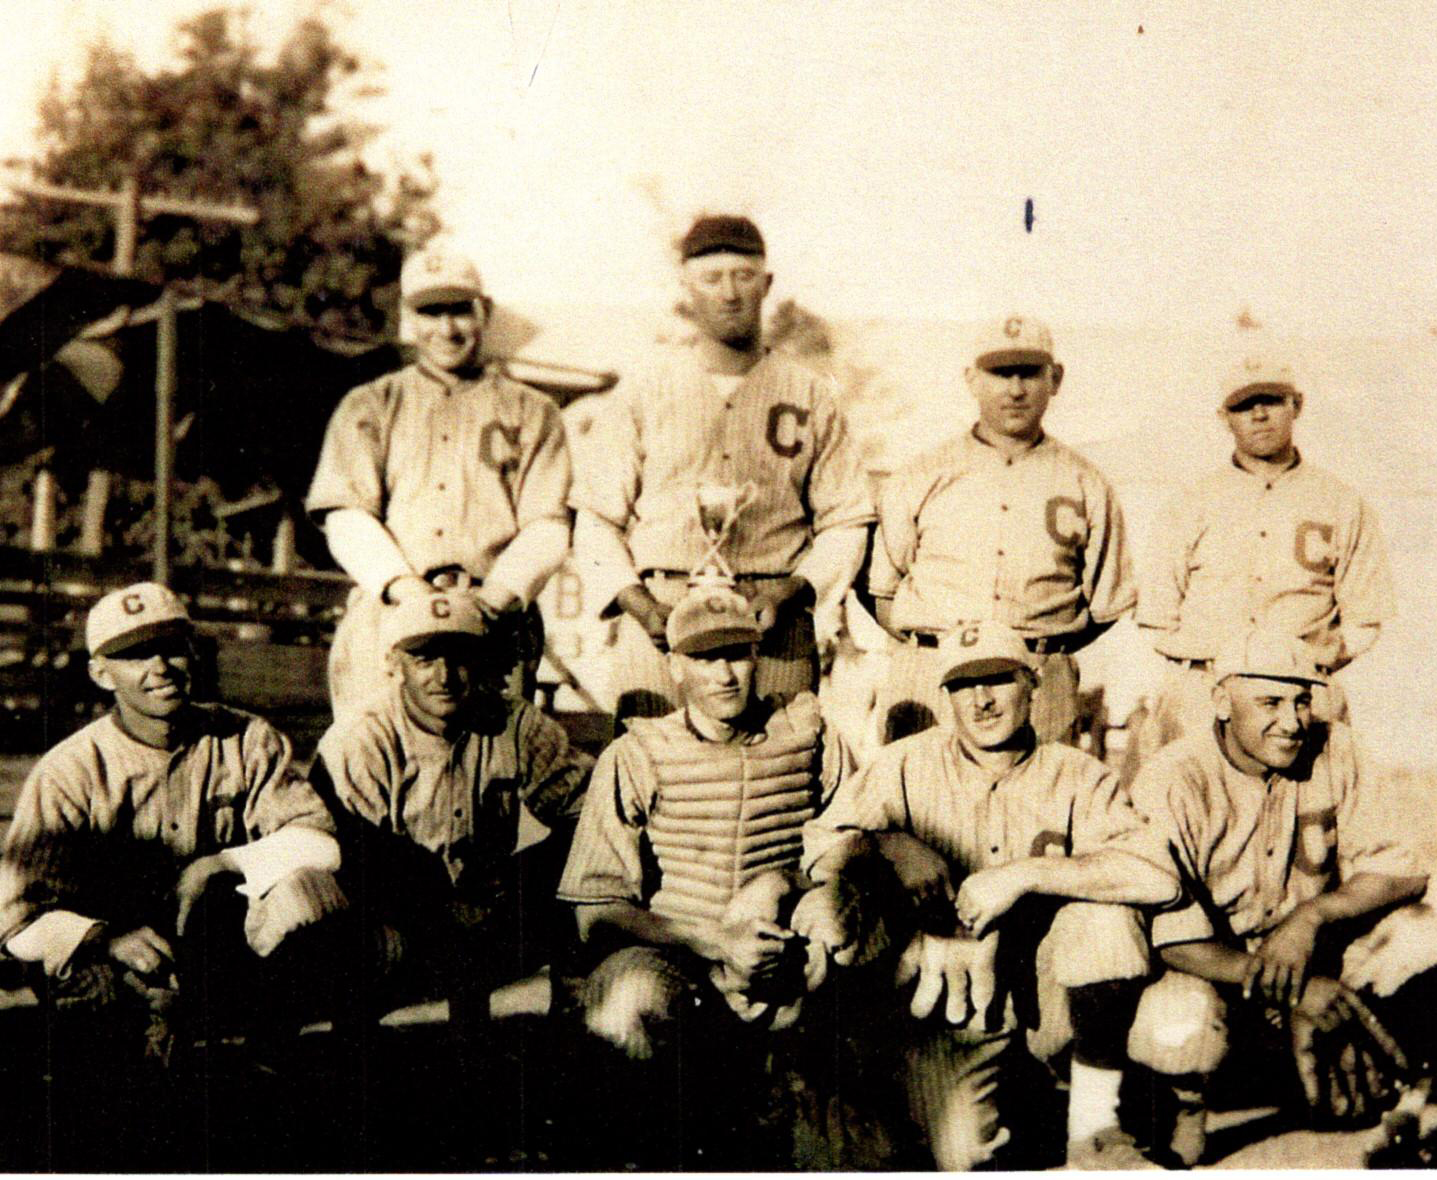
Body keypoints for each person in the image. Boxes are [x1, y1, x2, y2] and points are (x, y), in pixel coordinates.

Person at [803, 620, 1177, 1170]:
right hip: (954, 1004)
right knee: (962, 1154)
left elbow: (1156, 875)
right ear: (946, 697)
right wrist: (888, 842)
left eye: (998, 681)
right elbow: (818, 849)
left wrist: (1023, 876)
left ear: (1033, 685)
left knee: (1107, 925)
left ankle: (1096, 1130)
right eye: (963, 685)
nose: (981, 701)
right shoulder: (906, 762)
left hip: (1049, 995)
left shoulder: (1078, 773)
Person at [556, 583, 858, 1167]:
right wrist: (714, 940)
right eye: (703, 657)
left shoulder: (808, 731)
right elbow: (594, 909)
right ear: (674, 667)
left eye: (738, 654)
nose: (724, 674)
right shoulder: (638, 752)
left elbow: (855, 841)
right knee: (626, 1005)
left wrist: (787, 889)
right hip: (679, 951)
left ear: (757, 657)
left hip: (784, 949)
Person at [0, 583, 347, 1067]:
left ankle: (270, 1062)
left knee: (309, 892)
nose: (159, 668)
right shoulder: (71, 770)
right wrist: (105, 939)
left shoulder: (245, 738)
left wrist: (219, 863)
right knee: (102, 1025)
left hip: (221, 941)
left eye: (171, 648)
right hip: (118, 951)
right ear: (101, 673)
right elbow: (15, 916)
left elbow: (319, 844)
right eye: (136, 655)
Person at [1124, 628, 1428, 1165]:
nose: (1292, 721)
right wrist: (1298, 993)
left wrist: (1311, 917)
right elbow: (1174, 942)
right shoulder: (1173, 776)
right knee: (1178, 1020)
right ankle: (1185, 1104)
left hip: (1313, 962)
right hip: (1217, 976)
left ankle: (1379, 1073)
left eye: (1302, 700)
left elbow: (1403, 870)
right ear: (1221, 701)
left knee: (1423, 932)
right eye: (1269, 701)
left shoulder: (1335, 745)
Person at [570, 214, 873, 723]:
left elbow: (846, 519)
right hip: (663, 609)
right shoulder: (644, 391)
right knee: (648, 770)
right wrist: (638, 603)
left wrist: (795, 589)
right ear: (686, 289)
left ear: (766, 284)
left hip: (771, 615)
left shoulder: (811, 393)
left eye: (743, 275)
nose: (729, 293)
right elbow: (597, 517)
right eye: (711, 278)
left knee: (783, 770)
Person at [307, 243, 572, 722]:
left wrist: (496, 598)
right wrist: (406, 589)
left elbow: (549, 524)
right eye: (430, 313)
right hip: (391, 611)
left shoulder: (534, 411)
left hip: (494, 614)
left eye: (459, 311)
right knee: (373, 766)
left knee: (490, 771)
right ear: (410, 319)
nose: (446, 330)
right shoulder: (370, 405)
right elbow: (346, 515)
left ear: (484, 312)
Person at [311, 590, 592, 1027]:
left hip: (487, 912)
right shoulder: (360, 737)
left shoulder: (512, 722)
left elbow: (585, 812)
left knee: (575, 903)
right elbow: (351, 852)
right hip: (395, 911)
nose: (443, 677)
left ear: (480, 661)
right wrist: (436, 909)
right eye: (425, 659)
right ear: (395, 664)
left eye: (458, 658)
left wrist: (519, 882)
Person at [867, 315, 1134, 745]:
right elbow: (882, 591)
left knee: (1041, 807)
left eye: (1029, 373)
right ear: (971, 379)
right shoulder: (922, 473)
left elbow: (1106, 604)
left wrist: (1044, 645)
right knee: (916, 805)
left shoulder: (1086, 482)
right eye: (999, 373)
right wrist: (935, 647)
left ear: (1055, 378)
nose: (1015, 390)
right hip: (933, 676)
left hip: (1038, 677)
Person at [1134, 355, 1394, 756]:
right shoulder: (1190, 504)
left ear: (1297, 406)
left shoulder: (1341, 503)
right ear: (1224, 417)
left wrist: (1314, 662)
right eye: (1243, 405)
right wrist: (1209, 669)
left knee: (1312, 814)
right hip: (1205, 692)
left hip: (1303, 693)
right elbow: (1156, 616)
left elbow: (1365, 619)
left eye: (1272, 400)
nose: (1258, 415)